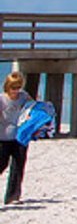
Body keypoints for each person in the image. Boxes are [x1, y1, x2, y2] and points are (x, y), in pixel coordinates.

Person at [0, 73, 33, 204]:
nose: (16, 90)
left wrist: (30, 116)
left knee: (18, 166)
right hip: (3, 137)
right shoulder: (2, 99)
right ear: (7, 87)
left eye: (18, 87)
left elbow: (32, 107)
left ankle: (12, 196)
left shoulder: (23, 96)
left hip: (20, 136)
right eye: (13, 88)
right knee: (2, 164)